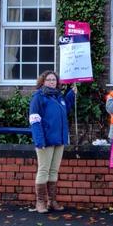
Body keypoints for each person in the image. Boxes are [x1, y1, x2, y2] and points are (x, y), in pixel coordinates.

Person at [28, 70, 77, 213]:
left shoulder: (58, 96)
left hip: (59, 139)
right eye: (49, 80)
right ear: (43, 81)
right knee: (43, 170)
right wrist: (39, 140)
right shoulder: (38, 97)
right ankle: (40, 202)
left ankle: (52, 201)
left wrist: (71, 94)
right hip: (46, 140)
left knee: (54, 171)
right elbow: (34, 120)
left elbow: (65, 110)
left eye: (54, 80)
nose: (51, 82)